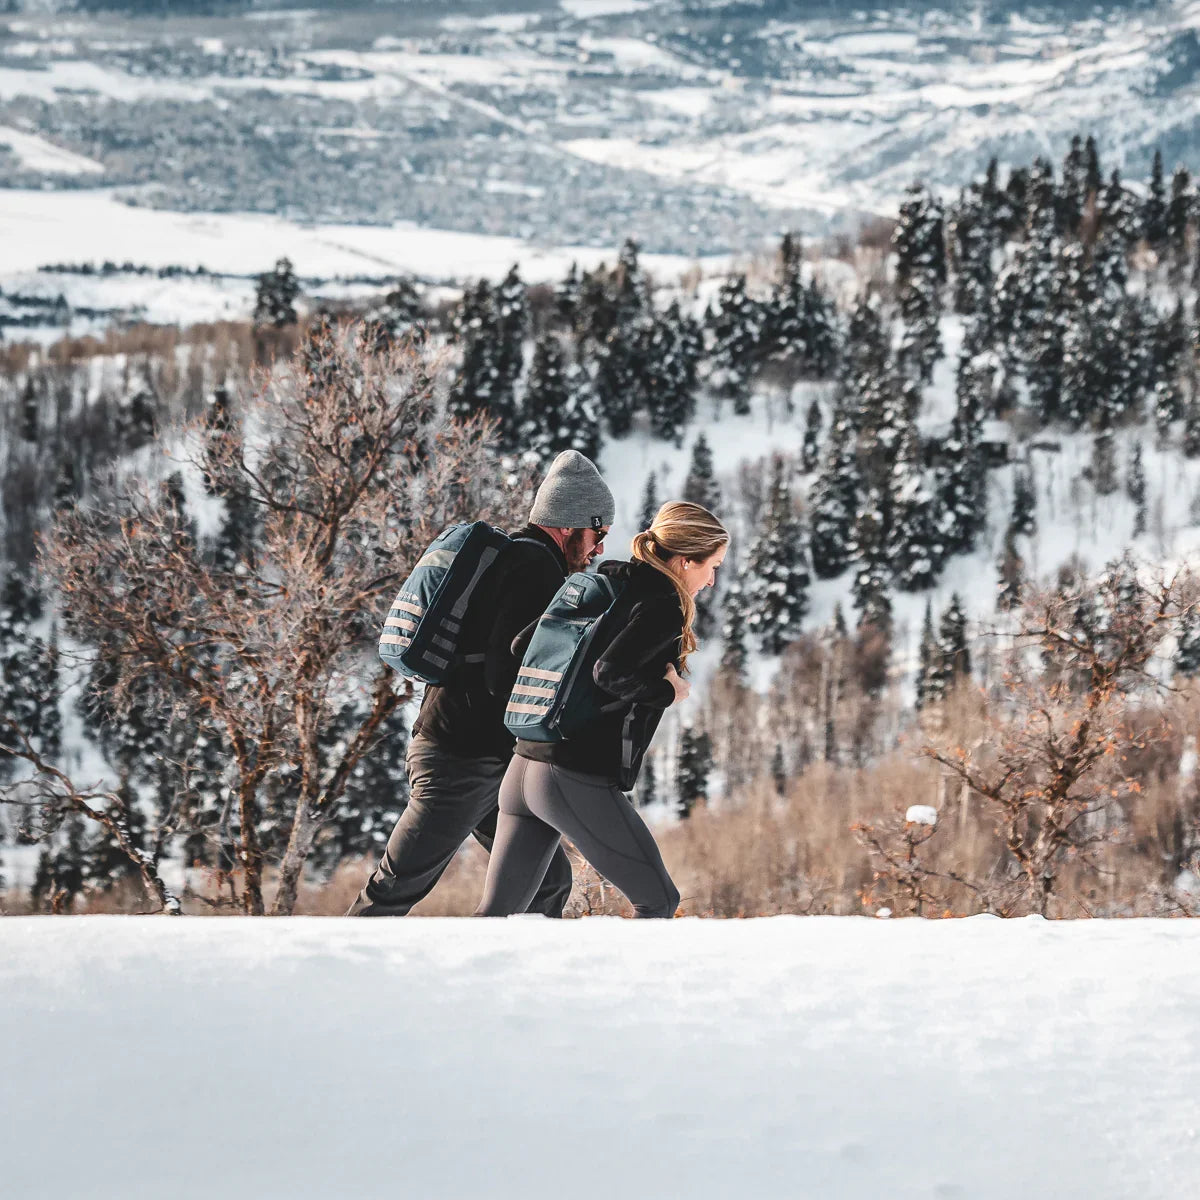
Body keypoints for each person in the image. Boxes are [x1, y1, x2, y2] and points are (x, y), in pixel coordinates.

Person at [347, 450, 615, 917]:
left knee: (547, 885)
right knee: (394, 889)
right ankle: (324, 973)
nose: (599, 548)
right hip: (459, 760)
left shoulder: (518, 559)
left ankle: (502, 982)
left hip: (484, 758)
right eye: (599, 533)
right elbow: (504, 673)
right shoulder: (536, 569)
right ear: (570, 524)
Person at [476, 501, 729, 920]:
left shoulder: (606, 582)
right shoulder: (661, 603)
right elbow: (610, 671)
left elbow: (523, 645)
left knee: (495, 916)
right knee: (659, 901)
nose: (712, 580)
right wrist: (668, 691)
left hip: (523, 769)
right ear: (685, 562)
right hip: (569, 776)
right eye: (711, 566)